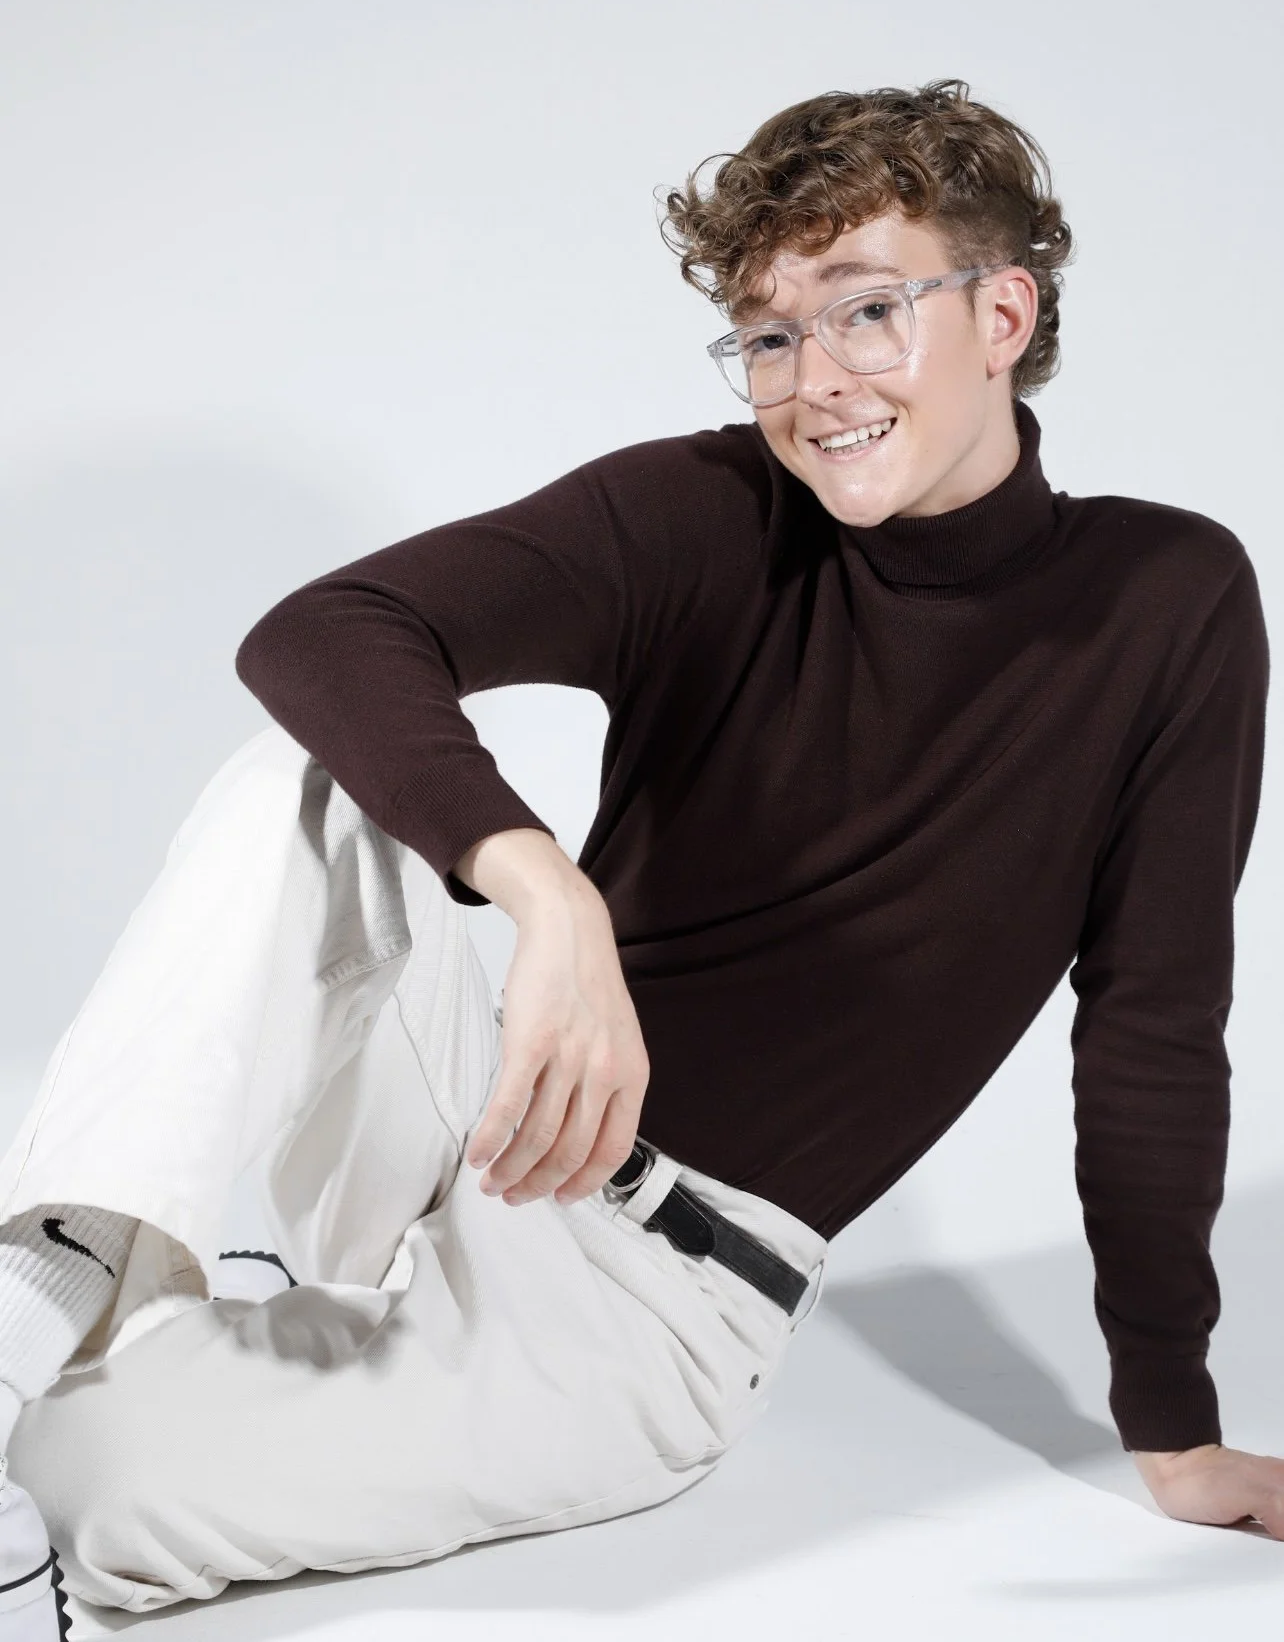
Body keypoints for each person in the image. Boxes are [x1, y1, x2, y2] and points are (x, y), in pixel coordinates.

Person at [2, 80, 1281, 1632]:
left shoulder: (1169, 597)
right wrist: (547, 893)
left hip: (645, 1305)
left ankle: (190, 1337)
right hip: (485, 1113)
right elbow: (323, 630)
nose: (815, 382)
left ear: (1003, 311)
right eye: (767, 334)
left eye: (867, 311)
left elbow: (1152, 1031)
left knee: (94, 1478)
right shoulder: (715, 507)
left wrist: (1173, 1421)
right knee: (310, 775)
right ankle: (36, 1301)